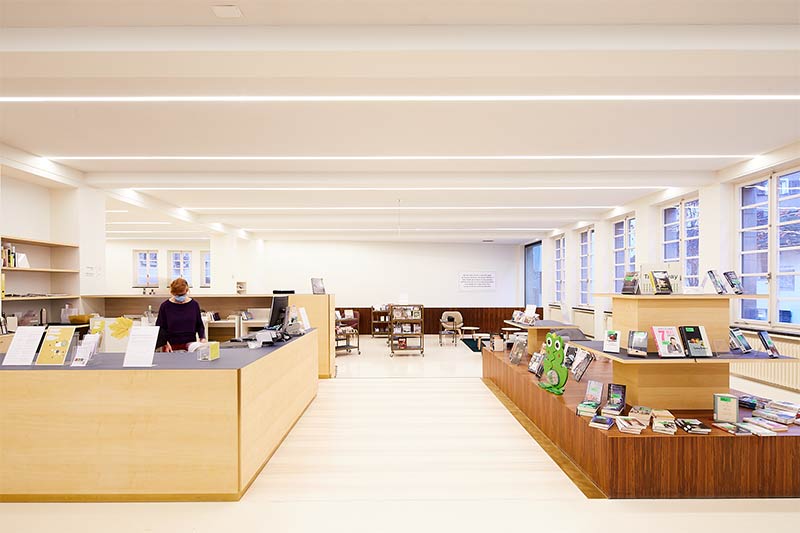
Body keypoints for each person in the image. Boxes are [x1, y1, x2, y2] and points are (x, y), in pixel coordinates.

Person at [155, 278, 206, 352]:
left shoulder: (194, 305)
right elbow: (160, 328)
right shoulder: (165, 306)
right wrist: (164, 342)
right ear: (172, 293)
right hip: (170, 346)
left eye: (182, 294)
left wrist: (202, 338)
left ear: (187, 290)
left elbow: (199, 325)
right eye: (177, 295)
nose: (180, 297)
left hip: (190, 345)